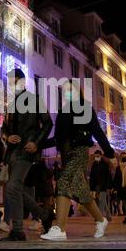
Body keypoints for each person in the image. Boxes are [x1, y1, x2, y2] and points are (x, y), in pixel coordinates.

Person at [40, 80, 115, 241]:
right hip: (66, 154)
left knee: (63, 181)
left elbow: (97, 131)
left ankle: (59, 228)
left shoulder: (85, 108)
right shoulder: (63, 112)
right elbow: (58, 138)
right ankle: (101, 220)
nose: (68, 92)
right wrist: (39, 144)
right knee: (82, 192)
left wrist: (110, 152)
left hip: (80, 151)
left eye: (71, 89)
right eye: (66, 90)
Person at [0, 69, 55, 241]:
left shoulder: (34, 100)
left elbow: (47, 124)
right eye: (10, 82)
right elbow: (3, 128)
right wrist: (8, 136)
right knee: (14, 188)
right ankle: (44, 215)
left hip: (27, 150)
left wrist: (36, 142)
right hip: (12, 152)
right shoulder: (10, 104)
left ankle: (17, 229)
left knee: (12, 186)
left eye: (15, 81)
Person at [89, 150, 113, 221]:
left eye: (98, 156)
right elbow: (92, 176)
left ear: (101, 156)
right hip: (96, 186)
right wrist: (91, 188)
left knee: (101, 201)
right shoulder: (94, 164)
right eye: (95, 156)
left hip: (103, 185)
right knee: (102, 201)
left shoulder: (105, 164)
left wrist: (109, 186)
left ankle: (100, 217)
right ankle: (109, 216)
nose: (96, 157)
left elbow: (108, 176)